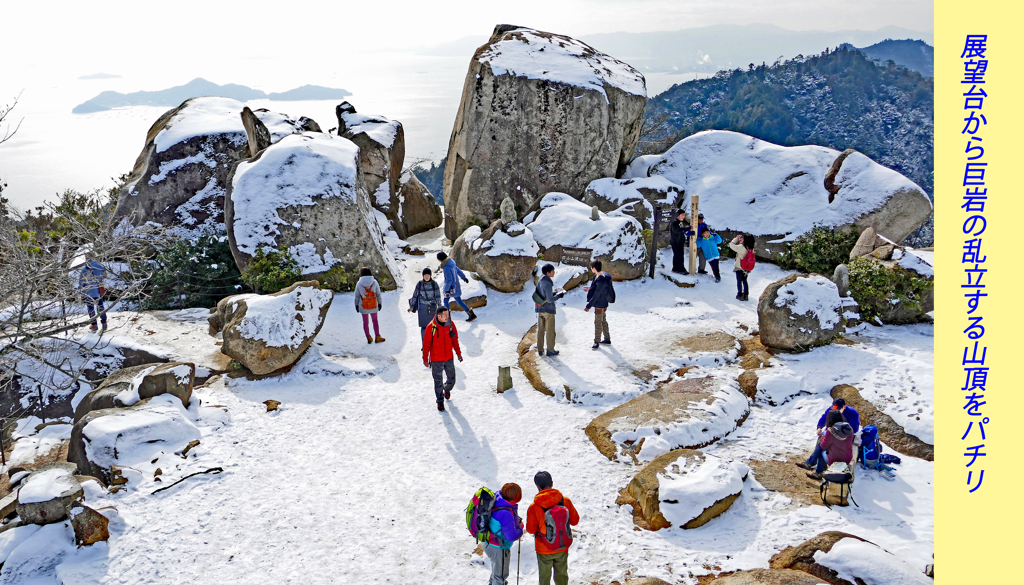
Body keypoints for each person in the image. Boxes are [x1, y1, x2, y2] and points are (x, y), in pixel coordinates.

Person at [526, 471, 579, 585]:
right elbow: (575, 521)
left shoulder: (534, 507)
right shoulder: (565, 501)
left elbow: (531, 530)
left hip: (543, 548)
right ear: (552, 483)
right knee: (562, 575)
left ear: (538, 486)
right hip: (562, 544)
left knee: (544, 577)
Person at [797, 398, 862, 475]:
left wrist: (837, 433)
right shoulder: (832, 410)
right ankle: (814, 464)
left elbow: (854, 428)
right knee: (822, 439)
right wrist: (820, 427)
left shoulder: (853, 414)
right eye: (834, 408)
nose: (836, 410)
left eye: (838, 409)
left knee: (822, 446)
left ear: (844, 407)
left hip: (843, 435)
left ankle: (813, 465)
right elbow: (824, 417)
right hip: (834, 435)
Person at [422, 306, 463, 412]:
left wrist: (458, 354)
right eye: (445, 315)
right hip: (436, 360)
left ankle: (447, 389)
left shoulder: (450, 325)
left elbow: (455, 340)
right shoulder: (431, 327)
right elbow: (426, 344)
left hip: (449, 357)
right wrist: (425, 359)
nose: (447, 317)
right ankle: (440, 401)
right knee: (438, 381)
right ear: (438, 316)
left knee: (452, 380)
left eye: (448, 314)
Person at [485, 483, 525, 585]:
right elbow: (511, 536)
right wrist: (520, 528)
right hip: (498, 548)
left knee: (496, 573)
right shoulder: (505, 513)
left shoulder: (497, 500)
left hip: (488, 542)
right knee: (500, 577)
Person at [805, 409, 855, 480]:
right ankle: (811, 462)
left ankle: (817, 472)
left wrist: (822, 437)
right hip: (847, 459)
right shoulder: (850, 429)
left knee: (821, 450)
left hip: (834, 460)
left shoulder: (831, 431)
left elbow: (824, 446)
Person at [583, 260, 615, 350]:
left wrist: (588, 306)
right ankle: (607, 338)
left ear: (594, 268)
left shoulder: (602, 280)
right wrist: (590, 289)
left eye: (591, 267)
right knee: (603, 321)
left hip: (600, 304)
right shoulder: (597, 276)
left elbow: (597, 294)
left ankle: (596, 341)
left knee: (598, 323)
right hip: (602, 303)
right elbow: (597, 289)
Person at [437, 251, 477, 322]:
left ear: (440, 260)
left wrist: (446, 290)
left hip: (450, 288)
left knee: (446, 301)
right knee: (459, 300)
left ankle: (447, 319)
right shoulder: (451, 263)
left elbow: (449, 280)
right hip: (456, 286)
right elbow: (459, 271)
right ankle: (471, 314)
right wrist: (464, 278)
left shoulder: (446, 267)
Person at [534, 264, 564, 357]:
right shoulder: (548, 283)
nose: (554, 272)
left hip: (540, 308)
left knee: (541, 330)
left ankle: (540, 349)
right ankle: (550, 350)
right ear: (548, 272)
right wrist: (559, 295)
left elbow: (544, 294)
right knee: (550, 331)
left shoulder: (540, 280)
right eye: (553, 271)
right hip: (548, 310)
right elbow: (550, 300)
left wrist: (553, 292)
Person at [408, 267, 442, 341]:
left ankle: (433, 344)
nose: (426, 277)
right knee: (424, 327)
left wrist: (440, 308)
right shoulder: (420, 284)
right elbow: (415, 295)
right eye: (425, 275)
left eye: (428, 275)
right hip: (422, 308)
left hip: (432, 308)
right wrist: (412, 306)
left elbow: (438, 296)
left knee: (433, 326)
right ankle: (424, 344)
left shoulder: (434, 284)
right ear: (423, 276)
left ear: (430, 275)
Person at [355, 267, 385, 344]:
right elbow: (378, 294)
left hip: (363, 305)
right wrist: (380, 303)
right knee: (375, 321)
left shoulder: (359, 283)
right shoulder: (374, 282)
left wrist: (356, 305)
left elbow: (357, 296)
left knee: (365, 322)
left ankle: (369, 337)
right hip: (373, 305)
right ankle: (377, 337)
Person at [79, 254, 107, 331]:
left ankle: (94, 324)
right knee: (100, 306)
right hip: (98, 290)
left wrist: (80, 292)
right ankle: (104, 323)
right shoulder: (101, 267)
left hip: (89, 292)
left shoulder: (85, 269)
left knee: (91, 308)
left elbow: (81, 282)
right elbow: (104, 276)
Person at [728, 233, 755, 301]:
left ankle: (740, 294)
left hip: (739, 267)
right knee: (745, 281)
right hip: (747, 268)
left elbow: (731, 245)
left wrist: (736, 239)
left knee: (739, 281)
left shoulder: (741, 247)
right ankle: (746, 295)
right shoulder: (751, 248)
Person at [669, 210, 689, 274]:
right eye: (682, 215)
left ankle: (675, 268)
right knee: (679, 256)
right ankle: (681, 269)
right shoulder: (674, 222)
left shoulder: (679, 222)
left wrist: (686, 229)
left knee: (677, 255)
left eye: (684, 215)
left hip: (679, 242)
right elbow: (677, 231)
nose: (683, 216)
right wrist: (685, 229)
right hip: (676, 242)